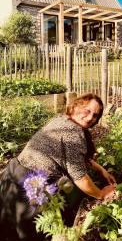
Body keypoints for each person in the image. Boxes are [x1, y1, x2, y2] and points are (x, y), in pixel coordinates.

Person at [0, 93, 116, 240]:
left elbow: (76, 157)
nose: (90, 118)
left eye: (95, 115)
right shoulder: (73, 133)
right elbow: (80, 177)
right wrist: (101, 194)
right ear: (76, 107)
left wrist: (101, 170)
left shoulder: (61, 120)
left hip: (11, 175)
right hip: (31, 187)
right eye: (87, 111)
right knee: (32, 232)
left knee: (6, 228)